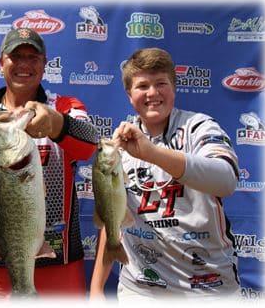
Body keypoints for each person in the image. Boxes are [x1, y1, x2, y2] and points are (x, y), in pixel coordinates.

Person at [0, 27, 99, 299]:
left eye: (33, 57)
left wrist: (57, 123)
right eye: (15, 57)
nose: (24, 65)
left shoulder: (65, 106)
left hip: (60, 261)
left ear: (44, 65)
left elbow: (89, 146)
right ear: (1, 62)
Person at [89, 48, 241, 299]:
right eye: (142, 86)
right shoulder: (118, 145)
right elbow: (111, 214)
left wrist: (152, 153)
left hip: (209, 288)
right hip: (139, 290)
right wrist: (96, 289)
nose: (152, 93)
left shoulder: (199, 127)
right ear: (129, 95)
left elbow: (226, 180)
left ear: (174, 87)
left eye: (161, 83)